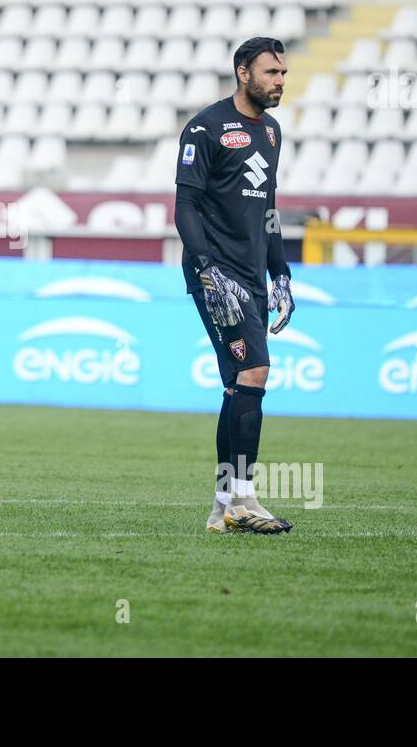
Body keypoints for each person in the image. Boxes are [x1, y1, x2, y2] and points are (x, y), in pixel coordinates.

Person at [174, 37, 296, 534]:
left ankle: (222, 508)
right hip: (216, 274)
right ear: (243, 73)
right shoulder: (204, 128)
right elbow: (184, 207)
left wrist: (281, 272)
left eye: (283, 73)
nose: (280, 81)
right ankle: (244, 500)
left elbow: (267, 212)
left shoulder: (271, 133)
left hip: (251, 274)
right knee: (256, 372)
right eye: (271, 73)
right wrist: (206, 267)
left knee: (236, 385)